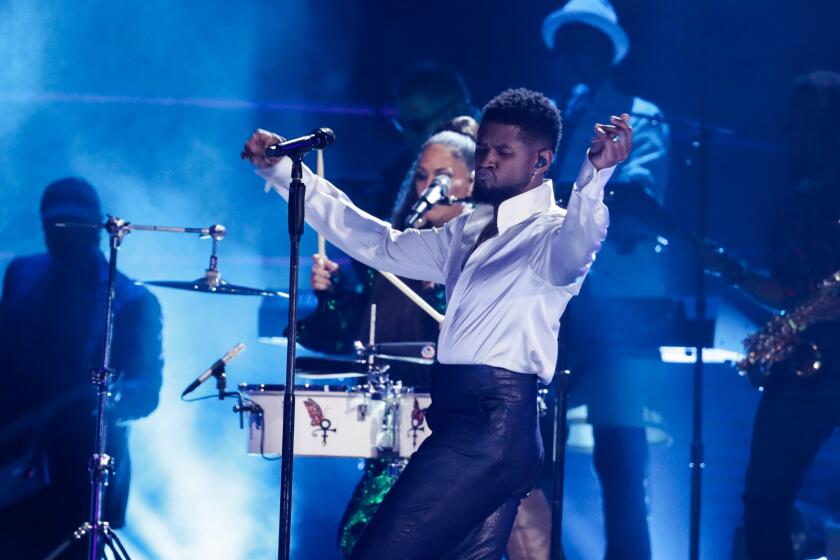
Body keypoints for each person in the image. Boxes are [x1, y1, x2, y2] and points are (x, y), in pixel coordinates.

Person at [243, 87, 632, 559]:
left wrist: (595, 175)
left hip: (494, 425)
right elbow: (378, 243)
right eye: (484, 148)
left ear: (540, 161)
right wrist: (288, 174)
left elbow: (581, 241)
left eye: (503, 152)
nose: (486, 160)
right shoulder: (464, 232)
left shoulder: (552, 234)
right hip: (462, 419)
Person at [507, 2, 672, 559]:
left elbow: (639, 201)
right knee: (536, 451)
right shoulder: (542, 120)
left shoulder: (641, 116)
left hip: (621, 311)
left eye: (587, 45)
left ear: (607, 54)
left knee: (621, 459)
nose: (574, 56)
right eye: (567, 45)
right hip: (553, 307)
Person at [297, 118, 477, 557]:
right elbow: (352, 340)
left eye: (442, 177)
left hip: (452, 422)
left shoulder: (480, 245)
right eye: (421, 175)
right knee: (360, 532)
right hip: (392, 417)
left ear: (471, 182)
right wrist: (334, 294)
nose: (426, 187)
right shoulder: (398, 246)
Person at [703, 71, 840, 560]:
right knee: (763, 500)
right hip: (804, 363)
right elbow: (788, 289)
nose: (796, 127)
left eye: (810, 117)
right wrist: (733, 272)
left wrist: (796, 321)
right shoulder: (793, 200)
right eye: (795, 117)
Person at [0, 178, 164, 559]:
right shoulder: (21, 276)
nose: (61, 238)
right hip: (14, 460)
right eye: (53, 228)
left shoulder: (131, 300)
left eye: (71, 228)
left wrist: (104, 398)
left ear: (96, 228)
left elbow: (147, 392)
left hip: (80, 473)